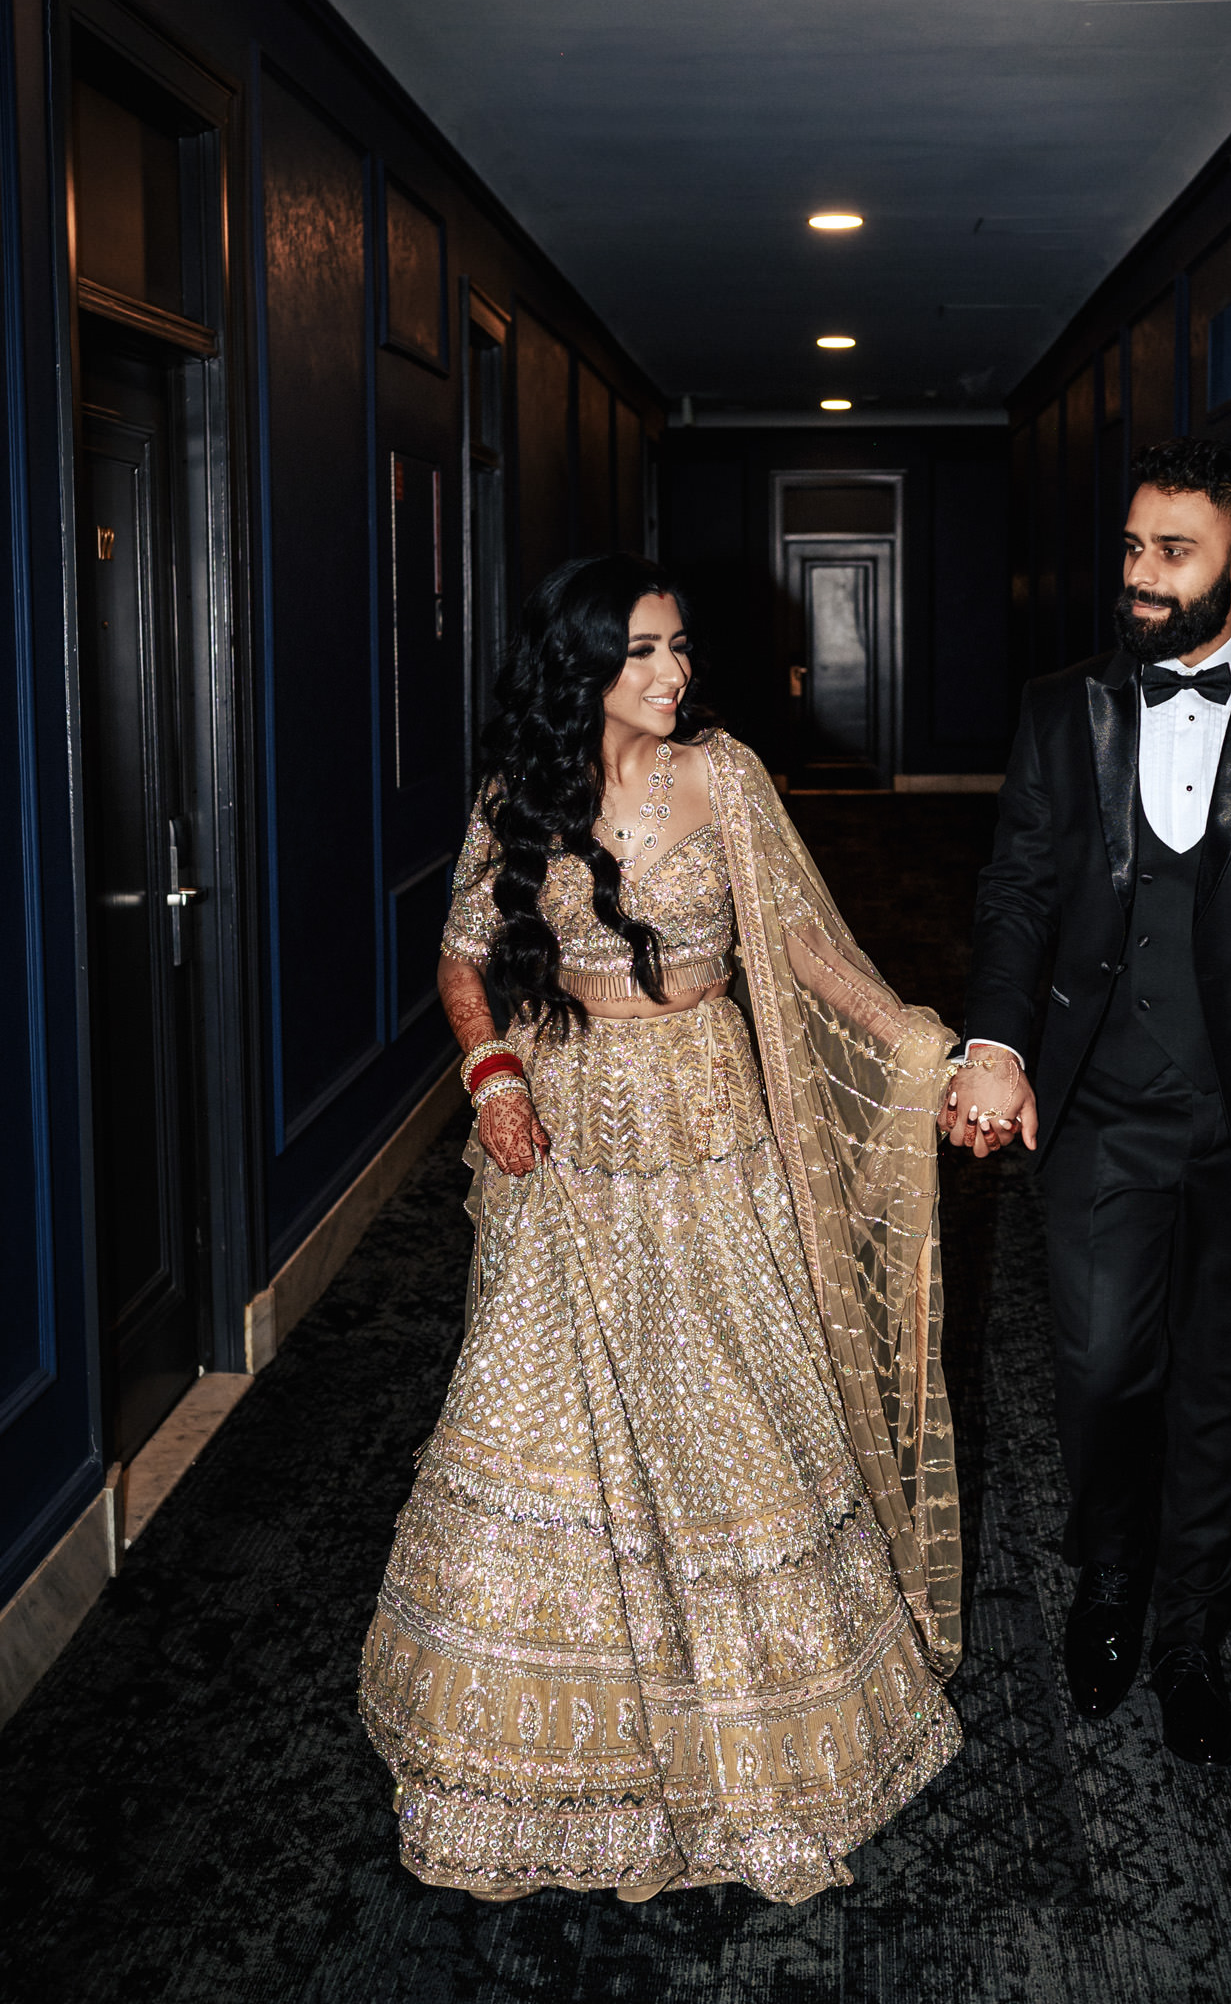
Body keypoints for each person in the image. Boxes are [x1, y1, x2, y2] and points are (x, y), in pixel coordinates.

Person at [359, 555, 961, 1903]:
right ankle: (561, 1764)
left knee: (729, 1413)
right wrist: (491, 1074)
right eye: (644, 653)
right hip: (566, 1129)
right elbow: (466, 957)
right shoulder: (521, 799)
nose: (676, 674)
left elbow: (805, 948)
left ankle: (754, 1759)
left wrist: (919, 1040)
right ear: (582, 668)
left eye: (680, 647)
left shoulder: (726, 779)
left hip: (704, 1116)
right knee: (537, 1413)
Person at [943, 437, 1231, 1767]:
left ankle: (1192, 1631)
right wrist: (997, 1045)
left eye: (1175, 552)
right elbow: (1019, 896)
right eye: (1134, 548)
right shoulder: (1060, 708)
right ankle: (1109, 1576)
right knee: (1097, 1367)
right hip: (1101, 1109)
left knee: (1225, 1384)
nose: (1142, 578)